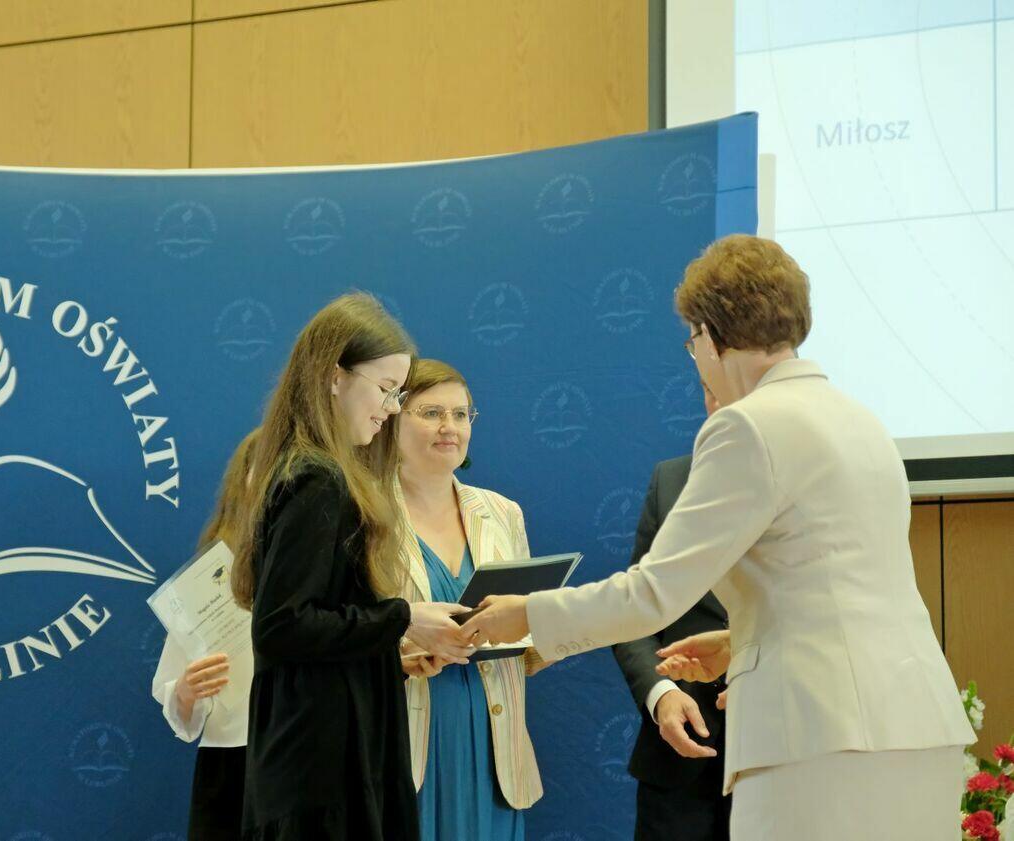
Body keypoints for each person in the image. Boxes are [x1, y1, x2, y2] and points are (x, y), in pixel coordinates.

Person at [463, 235, 975, 840]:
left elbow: (653, 592)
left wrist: (527, 615)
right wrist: (743, 641)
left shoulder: (748, 424)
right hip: (914, 723)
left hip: (821, 737)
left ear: (710, 336)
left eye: (692, 343)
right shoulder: (861, 420)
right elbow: (840, 582)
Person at [228, 293, 474, 841]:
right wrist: (403, 618)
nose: (391, 408)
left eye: (397, 393)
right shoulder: (319, 479)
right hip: (324, 772)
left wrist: (390, 653)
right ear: (334, 376)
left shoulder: (310, 470)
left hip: (319, 757)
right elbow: (282, 626)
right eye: (386, 389)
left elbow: (319, 625)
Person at [395, 358, 546, 841]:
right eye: (431, 413)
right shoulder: (362, 514)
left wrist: (545, 637)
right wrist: (402, 653)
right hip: (405, 744)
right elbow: (340, 629)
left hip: (495, 748)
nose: (450, 427)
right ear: (392, 418)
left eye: (461, 414)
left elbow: (526, 641)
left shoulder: (503, 513)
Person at [611, 382, 730, 841]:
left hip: (784, 754)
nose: (717, 402)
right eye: (710, 390)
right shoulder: (672, 479)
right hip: (677, 763)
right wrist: (660, 692)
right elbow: (634, 614)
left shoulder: (812, 478)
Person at [151, 429, 259, 841]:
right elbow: (177, 699)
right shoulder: (209, 580)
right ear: (242, 485)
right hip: (233, 767)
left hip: (312, 761)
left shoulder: (331, 571)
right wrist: (187, 691)